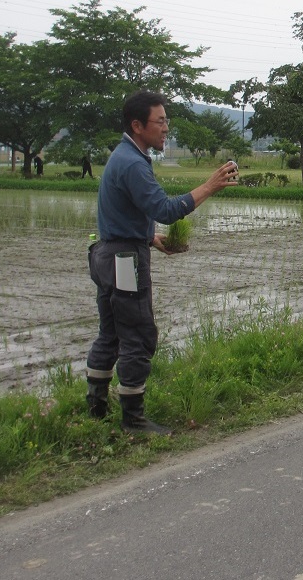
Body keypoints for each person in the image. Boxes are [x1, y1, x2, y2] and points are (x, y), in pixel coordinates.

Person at [85, 90, 239, 434]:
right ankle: (133, 420)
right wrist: (210, 186)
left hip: (107, 253)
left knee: (110, 333)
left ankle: (95, 407)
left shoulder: (126, 156)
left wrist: (149, 238)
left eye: (167, 119)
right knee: (138, 335)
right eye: (161, 121)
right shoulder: (132, 163)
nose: (166, 127)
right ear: (138, 125)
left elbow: (120, 214)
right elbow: (166, 210)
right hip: (123, 261)